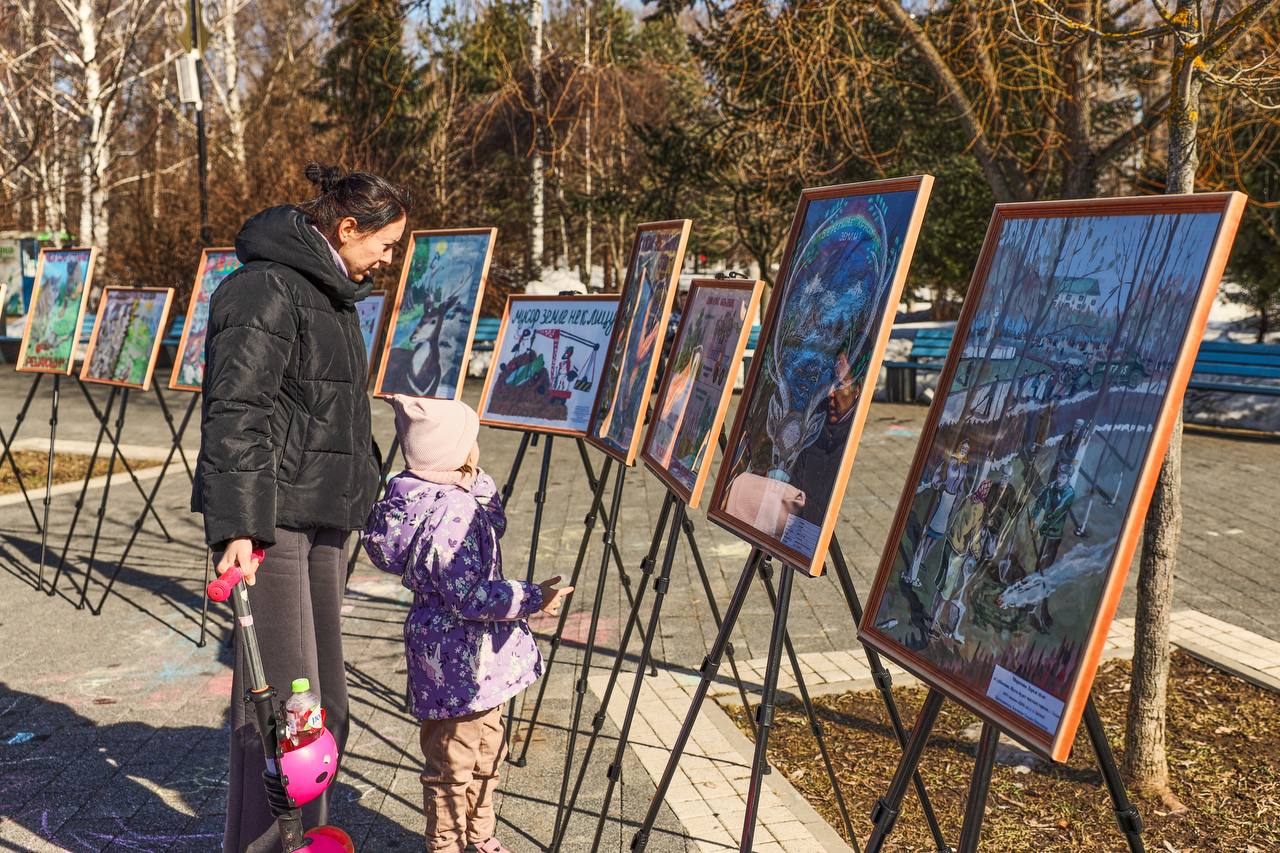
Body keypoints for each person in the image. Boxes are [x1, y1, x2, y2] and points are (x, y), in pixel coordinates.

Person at [193, 162, 410, 852]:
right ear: (348, 227)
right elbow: (237, 412)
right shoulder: (263, 289)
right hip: (274, 523)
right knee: (289, 719)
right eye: (386, 243)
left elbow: (328, 413)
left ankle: (302, 841)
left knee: (324, 710)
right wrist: (238, 527)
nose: (389, 257)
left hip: (321, 522)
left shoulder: (330, 293)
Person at [363, 395, 572, 853]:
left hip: (467, 665)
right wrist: (535, 597)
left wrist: (471, 482)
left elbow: (492, 522)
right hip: (463, 665)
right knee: (453, 766)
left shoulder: (425, 496)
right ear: (453, 451)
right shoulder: (451, 516)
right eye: (470, 441)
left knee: (485, 753)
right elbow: (471, 596)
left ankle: (478, 835)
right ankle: (447, 844)